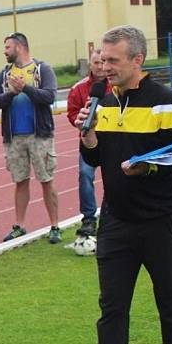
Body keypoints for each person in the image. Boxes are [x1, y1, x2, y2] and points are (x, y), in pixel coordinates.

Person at [68, 25, 172, 344]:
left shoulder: (167, 102)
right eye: (102, 60)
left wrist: (149, 167)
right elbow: (96, 158)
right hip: (117, 222)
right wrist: (88, 138)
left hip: (161, 220)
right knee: (112, 307)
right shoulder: (103, 103)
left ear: (137, 60)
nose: (104, 67)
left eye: (113, 60)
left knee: (171, 300)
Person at [0, 32, 61, 244]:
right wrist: (11, 93)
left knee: (46, 180)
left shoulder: (42, 69)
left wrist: (25, 88)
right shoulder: (4, 74)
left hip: (39, 135)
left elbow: (49, 96)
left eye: (8, 47)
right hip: (14, 136)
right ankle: (19, 225)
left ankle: (55, 226)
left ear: (19, 47)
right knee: (20, 181)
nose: (5, 52)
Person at [66, 49, 111, 237]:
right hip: (88, 140)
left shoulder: (116, 86)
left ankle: (112, 214)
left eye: (103, 62)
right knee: (85, 175)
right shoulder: (79, 88)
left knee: (116, 175)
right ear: (90, 65)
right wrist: (82, 121)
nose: (100, 67)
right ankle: (89, 218)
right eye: (96, 63)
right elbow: (72, 112)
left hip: (112, 139)